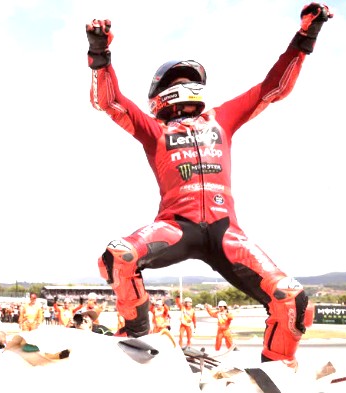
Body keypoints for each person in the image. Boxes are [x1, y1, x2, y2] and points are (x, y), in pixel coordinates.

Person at [85, 3, 332, 366]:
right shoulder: (154, 129)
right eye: (175, 82)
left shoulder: (223, 118)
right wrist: (99, 54)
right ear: (159, 93)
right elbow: (108, 102)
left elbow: (273, 88)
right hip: (176, 227)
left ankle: (276, 374)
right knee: (118, 256)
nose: (184, 86)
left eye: (189, 81)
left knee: (293, 300)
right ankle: (136, 336)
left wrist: (305, 37)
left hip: (226, 233)